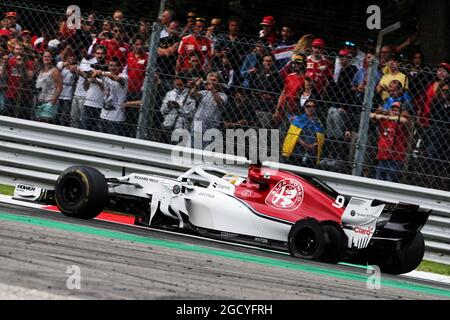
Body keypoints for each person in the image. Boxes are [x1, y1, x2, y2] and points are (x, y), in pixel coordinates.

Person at [371, 101, 410, 183]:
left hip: (396, 158)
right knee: (378, 181)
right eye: (392, 109)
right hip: (382, 157)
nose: (394, 111)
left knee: (391, 181)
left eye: (396, 110)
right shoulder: (385, 121)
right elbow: (371, 115)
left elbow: (404, 120)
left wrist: (386, 116)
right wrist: (382, 113)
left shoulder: (402, 122)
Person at [281, 99, 325, 168]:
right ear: (304, 107)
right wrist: (305, 144)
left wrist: (314, 145)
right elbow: (293, 135)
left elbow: (320, 137)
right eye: (308, 106)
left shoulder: (318, 121)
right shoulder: (298, 119)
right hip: (298, 149)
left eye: (313, 106)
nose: (310, 108)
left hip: (312, 150)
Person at [190, 72, 227, 149]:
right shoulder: (204, 93)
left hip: (210, 127)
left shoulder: (223, 95)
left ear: (219, 82)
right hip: (198, 124)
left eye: (214, 80)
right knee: (192, 147)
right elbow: (192, 95)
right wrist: (197, 85)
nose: (212, 82)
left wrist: (213, 90)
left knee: (205, 150)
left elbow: (219, 102)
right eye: (210, 80)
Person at [0, 43, 34, 119]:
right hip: (10, 92)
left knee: (21, 116)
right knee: (8, 114)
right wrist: (4, 63)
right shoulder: (10, 61)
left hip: (23, 94)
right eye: (17, 49)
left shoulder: (29, 63)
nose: (18, 51)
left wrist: (22, 65)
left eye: (21, 49)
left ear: (24, 51)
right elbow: (2, 75)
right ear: (14, 51)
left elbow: (29, 78)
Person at [249, 54, 283, 128]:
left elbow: (280, 93)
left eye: (270, 61)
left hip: (269, 108)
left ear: (273, 62)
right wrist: (258, 94)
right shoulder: (256, 74)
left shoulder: (278, 77)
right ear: (262, 62)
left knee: (265, 130)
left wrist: (271, 96)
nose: (268, 63)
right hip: (255, 106)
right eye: (266, 61)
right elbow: (251, 88)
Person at [160, 76, 196, 143]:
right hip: (168, 124)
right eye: (176, 84)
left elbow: (191, 114)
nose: (178, 87)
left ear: (185, 84)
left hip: (181, 127)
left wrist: (179, 108)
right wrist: (168, 106)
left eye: (180, 85)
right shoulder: (170, 93)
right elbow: (162, 110)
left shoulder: (191, 95)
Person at [274, 53, 307, 125]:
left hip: (298, 112)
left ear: (304, 64)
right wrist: (277, 110)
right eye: (294, 63)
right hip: (285, 110)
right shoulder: (289, 76)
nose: (295, 65)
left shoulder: (307, 79)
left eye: (298, 63)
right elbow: (283, 93)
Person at [70, 45, 98, 128]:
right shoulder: (82, 59)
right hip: (77, 93)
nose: (83, 54)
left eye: (85, 52)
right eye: (82, 53)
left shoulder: (95, 62)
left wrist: (82, 74)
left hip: (86, 94)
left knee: (83, 120)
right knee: (73, 117)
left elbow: (91, 78)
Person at [81, 45, 108, 132]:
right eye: (98, 53)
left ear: (106, 54)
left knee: (97, 130)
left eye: (102, 53)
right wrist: (86, 78)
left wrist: (96, 81)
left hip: (100, 104)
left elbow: (107, 89)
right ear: (94, 54)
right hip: (88, 102)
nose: (100, 56)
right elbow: (86, 87)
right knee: (85, 129)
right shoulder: (91, 67)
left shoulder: (109, 69)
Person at [101, 57, 128, 136]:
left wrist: (102, 73)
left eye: (115, 66)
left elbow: (117, 79)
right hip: (103, 115)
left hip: (116, 118)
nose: (112, 68)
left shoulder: (124, 76)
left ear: (120, 67)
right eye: (110, 65)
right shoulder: (105, 74)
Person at [35, 51, 63, 123]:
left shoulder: (55, 71)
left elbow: (59, 87)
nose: (46, 58)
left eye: (49, 56)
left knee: (46, 122)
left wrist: (53, 101)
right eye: (45, 56)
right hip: (40, 100)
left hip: (49, 101)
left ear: (52, 58)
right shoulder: (41, 70)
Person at [56, 50, 77, 126]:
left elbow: (76, 76)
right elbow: (57, 70)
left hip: (68, 90)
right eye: (70, 56)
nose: (72, 58)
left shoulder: (75, 67)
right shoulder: (61, 64)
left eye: (73, 57)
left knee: (65, 112)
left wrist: (73, 70)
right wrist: (65, 64)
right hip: (60, 89)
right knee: (58, 111)